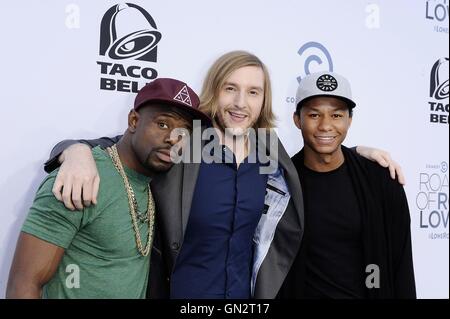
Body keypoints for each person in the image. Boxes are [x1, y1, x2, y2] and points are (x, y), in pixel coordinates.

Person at [42, 51, 405, 299]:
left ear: (265, 100)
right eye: (231, 88)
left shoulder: (268, 151)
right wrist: (74, 150)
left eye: (253, 92)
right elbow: (127, 147)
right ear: (215, 91)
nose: (240, 103)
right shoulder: (187, 144)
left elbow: (318, 159)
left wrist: (360, 154)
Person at [6, 78, 209, 298]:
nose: (173, 139)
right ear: (133, 121)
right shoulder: (80, 178)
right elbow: (23, 284)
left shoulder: (154, 182)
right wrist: (74, 151)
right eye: (162, 124)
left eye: (184, 133)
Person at [281, 71, 416, 298]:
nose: (326, 125)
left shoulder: (381, 181)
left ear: (349, 120)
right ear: (297, 120)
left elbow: (401, 265)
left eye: (336, 115)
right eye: (314, 115)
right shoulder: (281, 184)